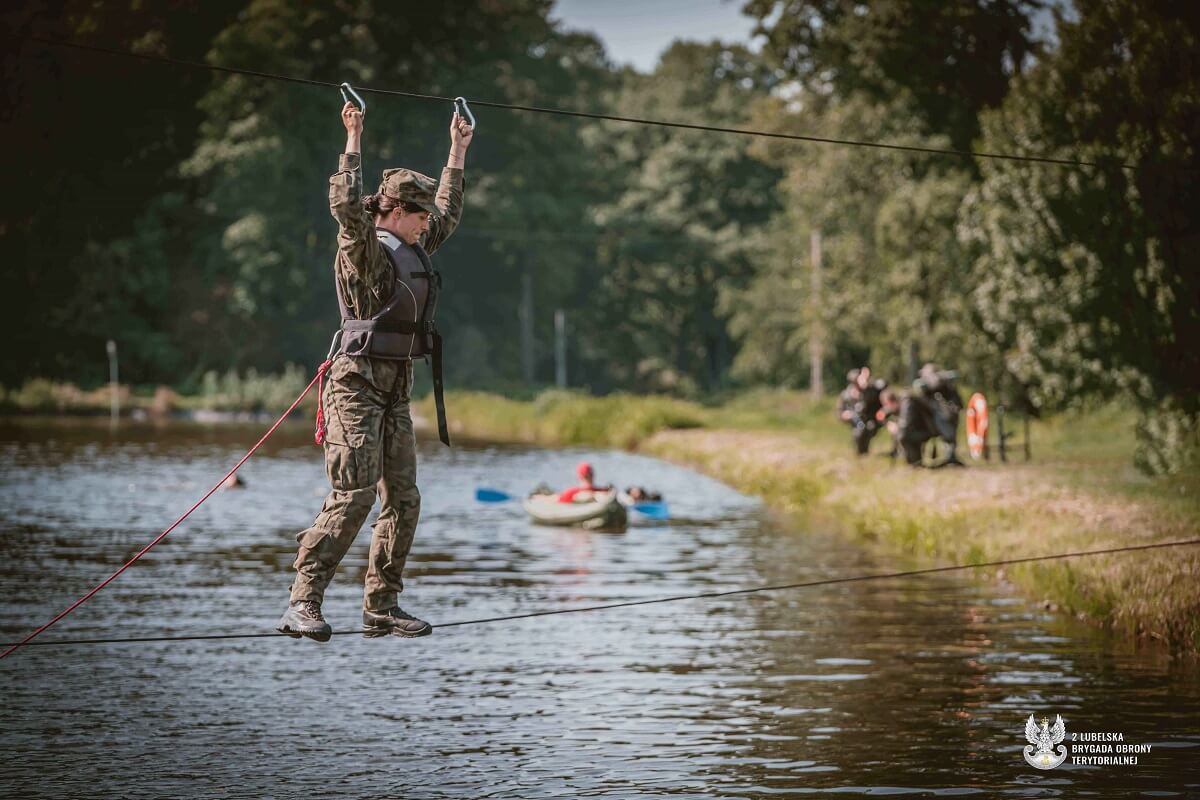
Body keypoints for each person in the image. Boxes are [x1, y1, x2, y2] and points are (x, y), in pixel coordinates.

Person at [278, 98, 473, 642]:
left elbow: (448, 212)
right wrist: (353, 139)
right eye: (418, 215)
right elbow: (344, 205)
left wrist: (457, 149)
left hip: (396, 386)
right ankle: (303, 601)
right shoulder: (363, 247)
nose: (426, 224)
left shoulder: (414, 242)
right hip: (354, 383)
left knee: (404, 498)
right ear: (392, 211)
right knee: (355, 493)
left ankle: (381, 605)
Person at [896, 363, 965, 467]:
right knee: (905, 433)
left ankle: (950, 455)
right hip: (927, 427)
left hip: (944, 424)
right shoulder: (923, 393)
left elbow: (957, 407)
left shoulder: (948, 390)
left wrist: (940, 382)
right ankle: (915, 461)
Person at [838, 366, 888, 455]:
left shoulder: (870, 390)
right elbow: (840, 411)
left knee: (868, 428)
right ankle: (861, 453)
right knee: (859, 433)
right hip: (856, 422)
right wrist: (845, 415)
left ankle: (863, 452)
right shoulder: (846, 395)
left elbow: (883, 386)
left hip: (871, 419)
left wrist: (866, 384)